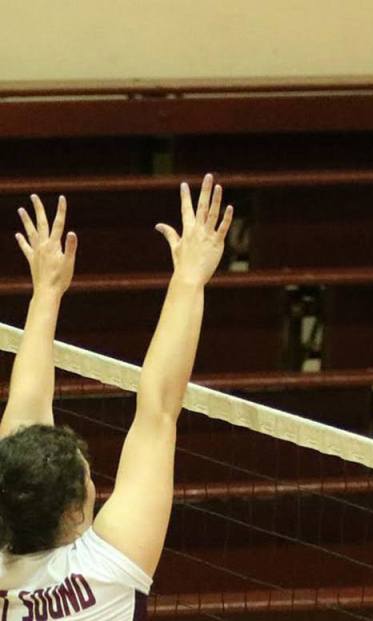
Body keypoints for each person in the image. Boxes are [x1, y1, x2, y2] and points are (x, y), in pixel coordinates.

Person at [0, 175, 233, 619]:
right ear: (74, 514)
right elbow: (157, 409)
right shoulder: (106, 568)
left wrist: (46, 292)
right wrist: (190, 277)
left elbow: (23, 422)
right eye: (87, 479)